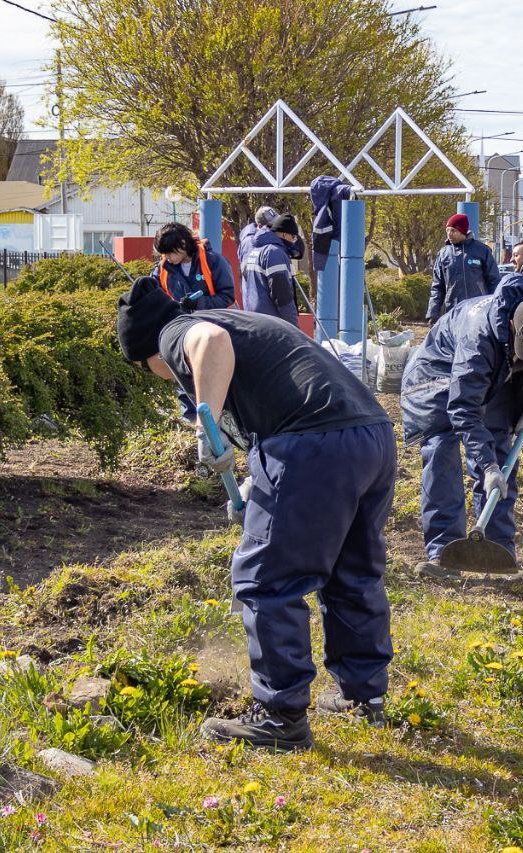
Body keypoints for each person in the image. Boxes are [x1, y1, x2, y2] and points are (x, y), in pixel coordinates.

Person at [116, 277, 395, 751]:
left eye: (149, 370)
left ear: (151, 353)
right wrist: (256, 474)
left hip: (312, 444)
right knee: (352, 572)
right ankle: (361, 696)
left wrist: (209, 427)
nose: (159, 376)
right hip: (370, 435)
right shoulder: (242, 318)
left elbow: (209, 344)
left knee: (266, 579)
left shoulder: (178, 331)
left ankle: (279, 717)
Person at [401, 273, 523, 578]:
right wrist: (486, 466)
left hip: (498, 372)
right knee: (442, 451)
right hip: (437, 375)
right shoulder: (478, 340)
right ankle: (443, 553)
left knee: (501, 452)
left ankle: (499, 553)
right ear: (513, 327)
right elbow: (462, 407)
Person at [425, 212, 500, 324]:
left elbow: (494, 282)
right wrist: (432, 313)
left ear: (463, 231)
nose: (449, 234)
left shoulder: (482, 251)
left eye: (453, 231)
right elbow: (437, 287)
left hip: (478, 312)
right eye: (447, 230)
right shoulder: (443, 254)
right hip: (453, 312)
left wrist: (495, 309)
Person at [151, 222, 236, 311]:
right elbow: (154, 294)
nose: (166, 257)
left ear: (183, 244)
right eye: (163, 253)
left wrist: (198, 303)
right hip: (183, 323)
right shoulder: (163, 268)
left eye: (169, 252)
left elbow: (227, 297)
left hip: (214, 322)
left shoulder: (214, 261)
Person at [241, 213, 302, 325]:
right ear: (284, 235)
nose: (294, 241)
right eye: (293, 237)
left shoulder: (256, 250)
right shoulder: (275, 253)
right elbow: (282, 296)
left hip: (253, 320)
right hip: (272, 324)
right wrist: (293, 326)